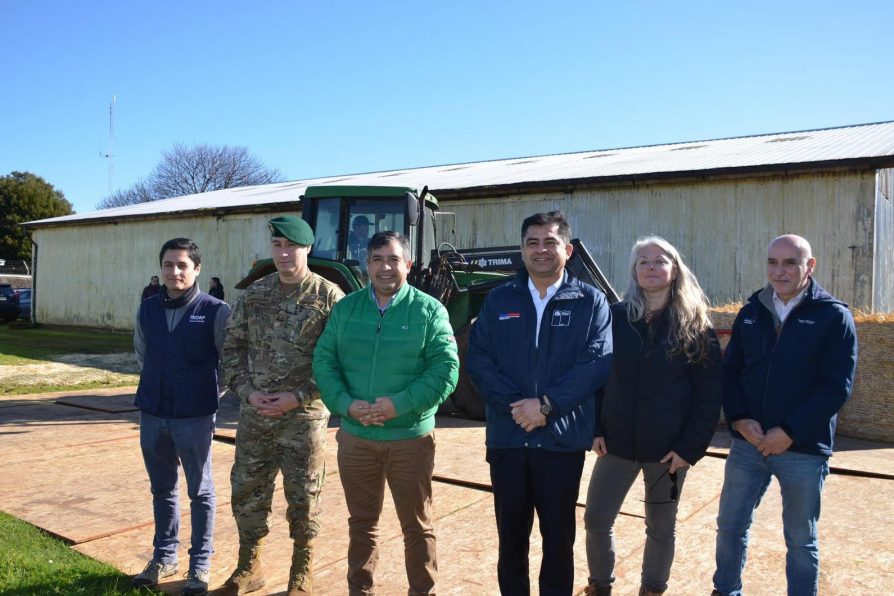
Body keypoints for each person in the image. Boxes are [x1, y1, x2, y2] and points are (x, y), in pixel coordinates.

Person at [466, 210, 613, 596]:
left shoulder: (590, 301)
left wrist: (546, 405)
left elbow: (596, 363)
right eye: (532, 242)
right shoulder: (499, 300)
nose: (541, 250)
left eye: (550, 242)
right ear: (522, 250)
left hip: (560, 443)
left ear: (567, 249)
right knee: (511, 541)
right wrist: (518, 405)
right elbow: (479, 359)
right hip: (508, 439)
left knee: (558, 543)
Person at [313, 231, 459, 596]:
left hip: (409, 438)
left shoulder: (428, 310)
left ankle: (422, 591)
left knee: (417, 525)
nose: (385, 268)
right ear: (367, 265)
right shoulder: (346, 309)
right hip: (356, 439)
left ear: (408, 264)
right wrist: (345, 404)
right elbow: (324, 361)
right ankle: (360, 590)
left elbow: (446, 370)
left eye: (393, 259)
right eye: (377, 259)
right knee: (362, 524)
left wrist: (400, 404)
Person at [712, 234, 858, 596]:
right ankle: (726, 590)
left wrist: (789, 431)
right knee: (730, 526)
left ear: (810, 266)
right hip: (748, 446)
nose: (780, 271)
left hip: (803, 449)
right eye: (773, 262)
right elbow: (730, 373)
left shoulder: (833, 316)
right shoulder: (752, 312)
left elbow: (835, 387)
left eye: (790, 262)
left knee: (799, 540)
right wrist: (739, 419)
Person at [583, 237, 721, 596]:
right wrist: (595, 427)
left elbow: (708, 396)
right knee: (596, 519)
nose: (650, 267)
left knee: (661, 527)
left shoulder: (696, 326)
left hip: (669, 455)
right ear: (633, 271)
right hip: (615, 445)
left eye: (660, 261)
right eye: (642, 261)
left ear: (674, 270)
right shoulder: (614, 317)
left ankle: (652, 589)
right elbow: (596, 377)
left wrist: (689, 449)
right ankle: (600, 585)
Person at [218, 216, 344, 596]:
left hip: (303, 418)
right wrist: (246, 392)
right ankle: (248, 566)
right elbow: (231, 350)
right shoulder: (254, 295)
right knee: (247, 490)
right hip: (256, 414)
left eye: (292, 246)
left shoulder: (329, 298)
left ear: (307, 249)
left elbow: (340, 361)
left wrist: (298, 396)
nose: (284, 253)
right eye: (277, 246)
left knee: (304, 495)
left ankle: (301, 571)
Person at [132, 238, 231, 595]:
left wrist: (202, 396)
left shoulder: (217, 310)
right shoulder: (147, 309)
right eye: (169, 265)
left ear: (197, 269)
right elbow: (143, 354)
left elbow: (227, 362)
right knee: (162, 488)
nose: (175, 272)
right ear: (161, 268)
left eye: (182, 266)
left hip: (195, 416)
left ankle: (199, 565)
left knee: (200, 491)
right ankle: (164, 557)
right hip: (154, 413)